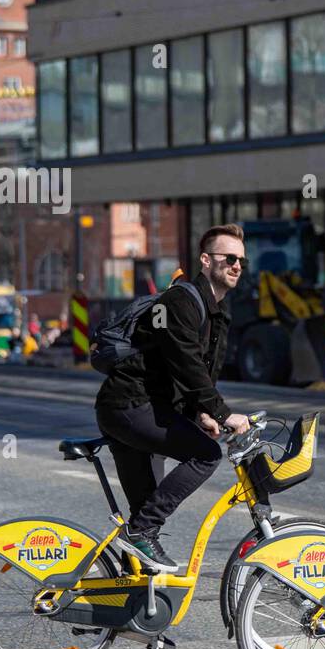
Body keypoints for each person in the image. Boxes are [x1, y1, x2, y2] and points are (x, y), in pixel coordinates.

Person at [94, 224, 251, 571]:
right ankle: (142, 532)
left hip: (144, 407)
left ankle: (129, 611)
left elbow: (196, 373)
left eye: (241, 260)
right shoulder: (180, 301)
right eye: (229, 258)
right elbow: (185, 362)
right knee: (206, 455)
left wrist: (203, 415)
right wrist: (224, 414)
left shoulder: (217, 311)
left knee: (143, 513)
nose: (237, 265)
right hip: (129, 405)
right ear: (206, 260)